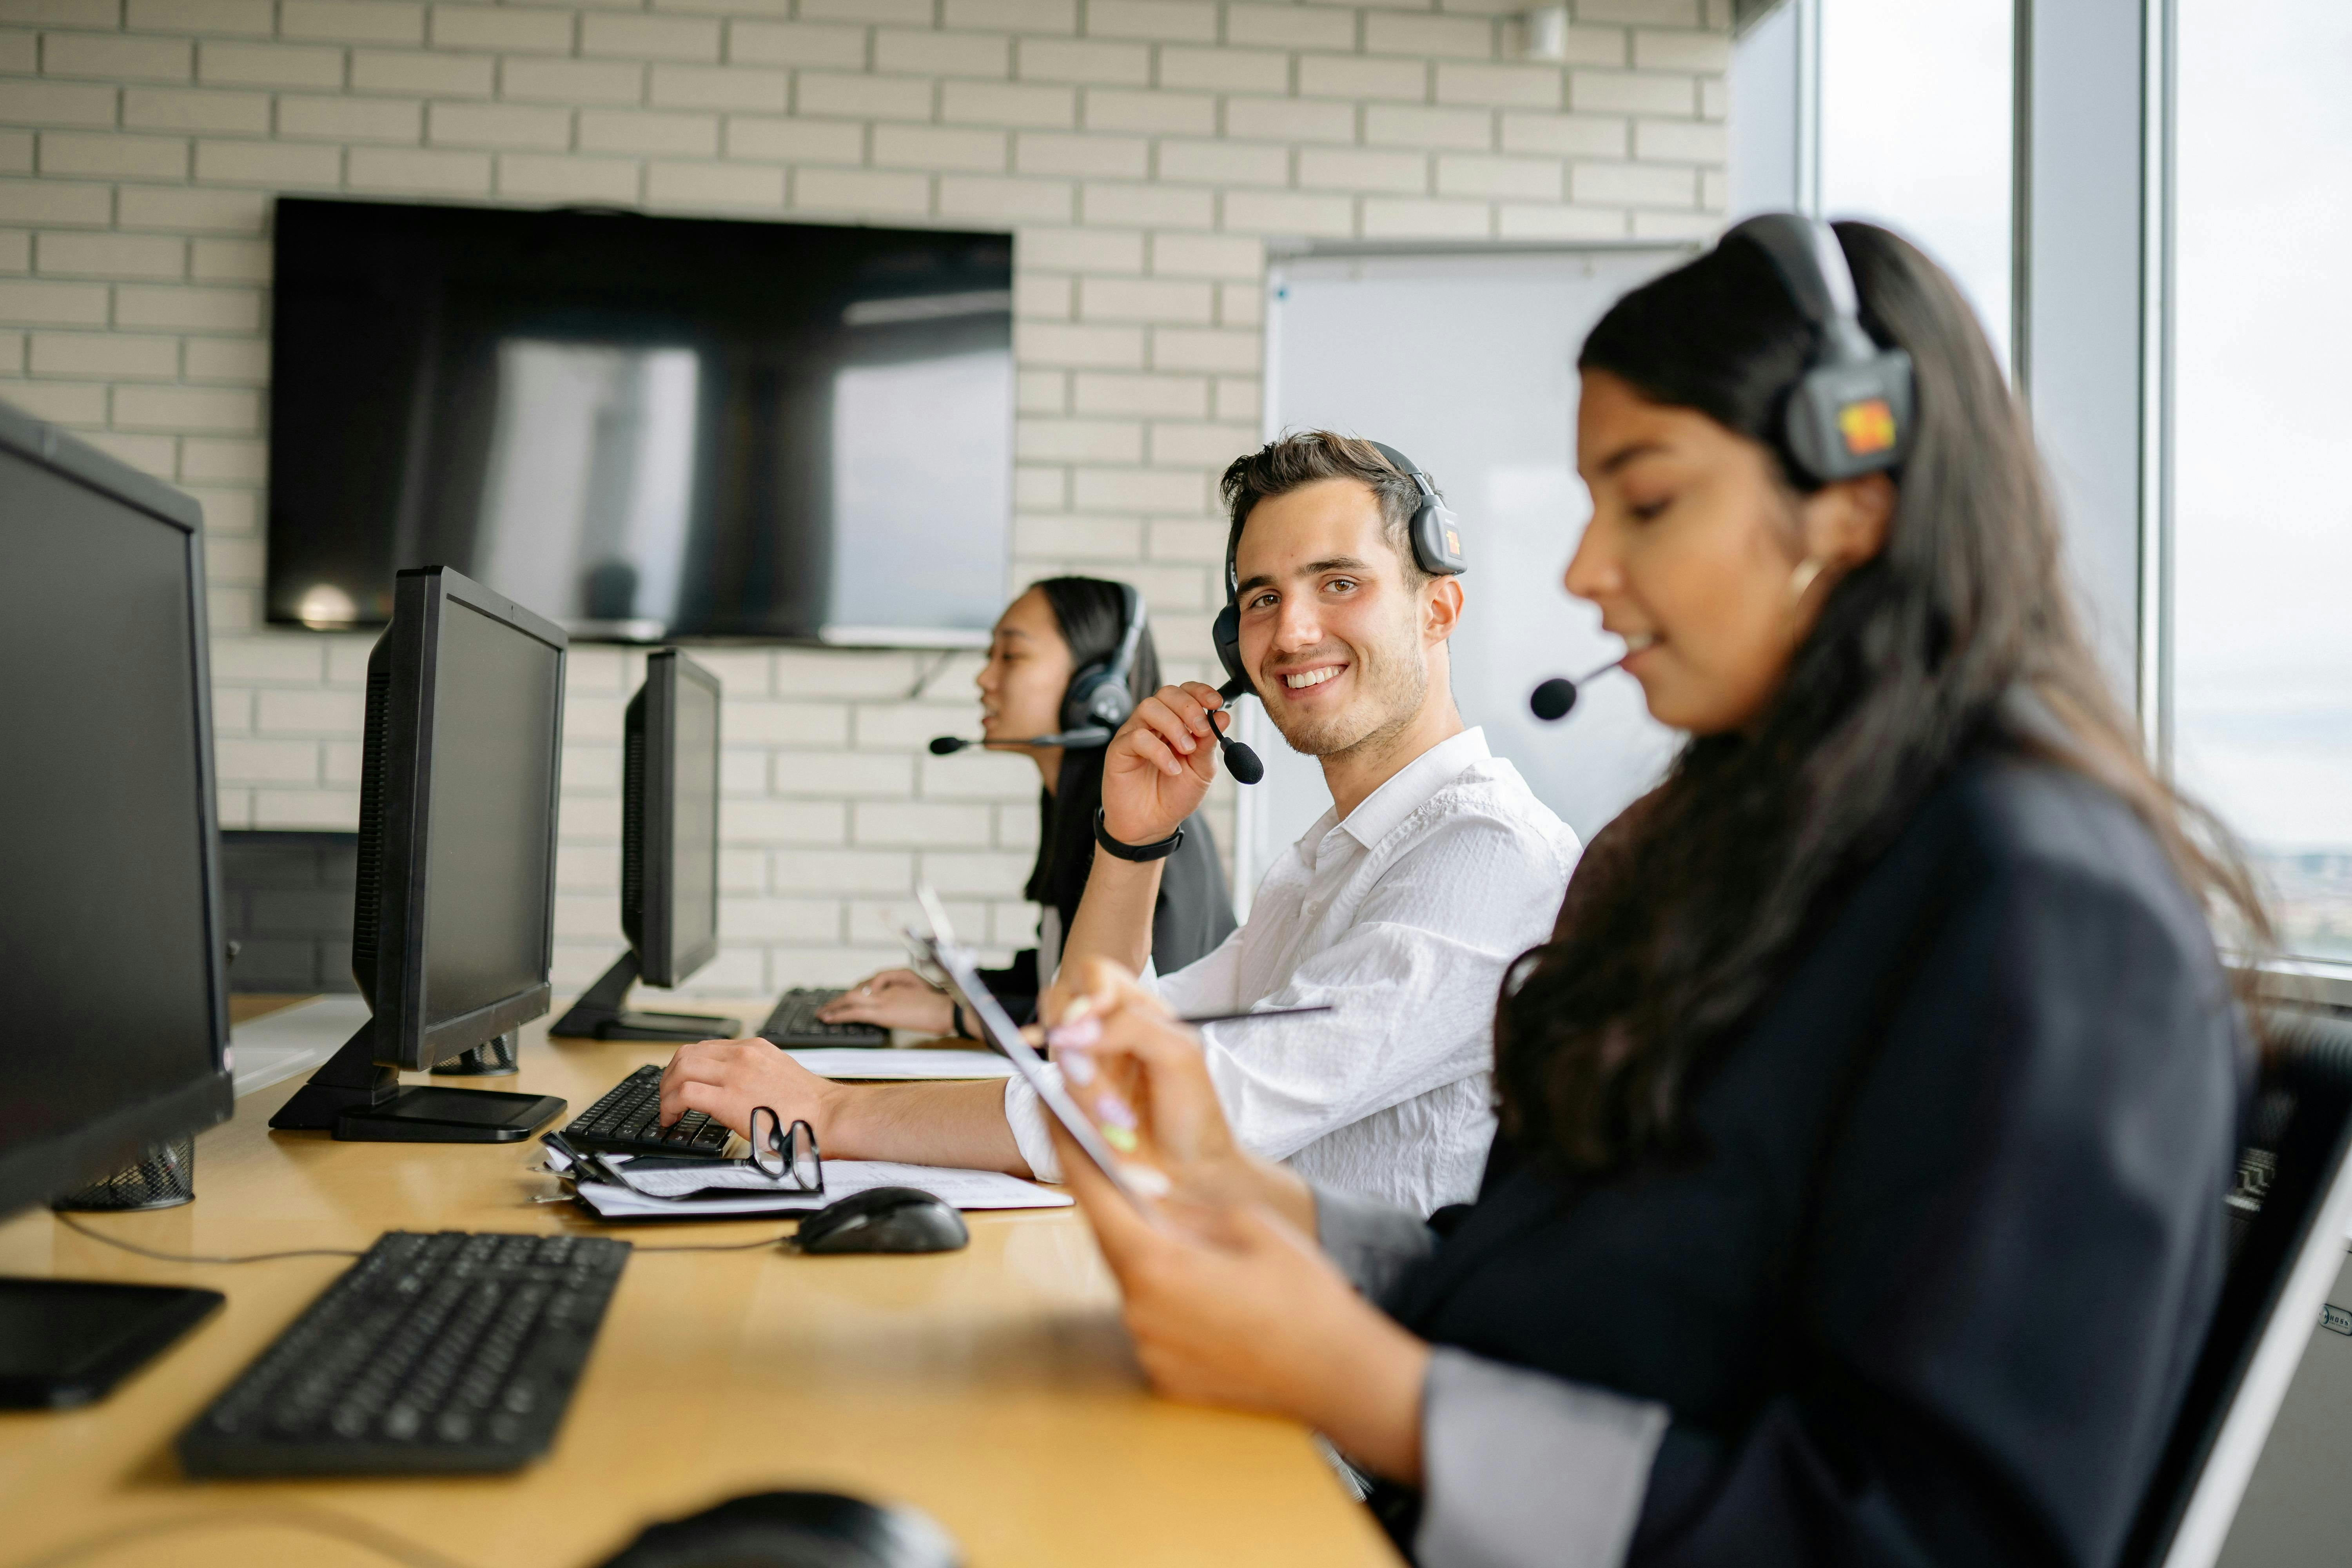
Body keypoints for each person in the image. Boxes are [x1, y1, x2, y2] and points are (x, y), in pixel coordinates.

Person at [1033, 217, 2264, 1568]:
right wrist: (1257, 1201)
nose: (1583, 572)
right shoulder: (1733, 861)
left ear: (1857, 483)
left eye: (1651, 500)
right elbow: (1571, 1293)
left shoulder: (2044, 914)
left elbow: (1932, 1538)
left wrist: (1376, 1396)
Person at [662, 433, 1582, 1213]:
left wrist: (830, 1113)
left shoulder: (1482, 858)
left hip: (1325, 1412)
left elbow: (1150, 1114)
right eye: (1261, 597)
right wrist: (1131, 839)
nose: (1292, 631)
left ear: (1439, 608)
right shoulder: (1331, 862)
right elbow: (1088, 1049)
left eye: (1338, 582)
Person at [813, 577, 1234, 1036]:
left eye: (1010, 656)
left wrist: (952, 1016)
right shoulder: (1076, 798)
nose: (984, 678)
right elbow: (1064, 966)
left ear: (1095, 691)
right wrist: (956, 988)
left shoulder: (1141, 823)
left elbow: (1124, 1016)